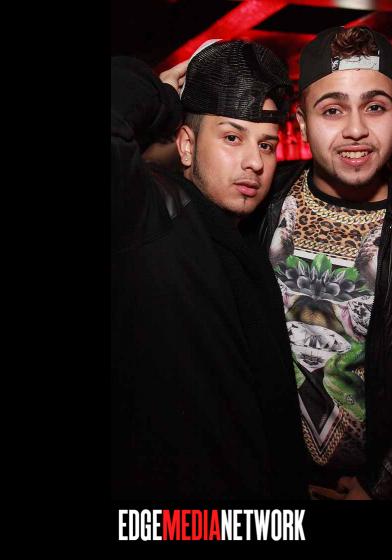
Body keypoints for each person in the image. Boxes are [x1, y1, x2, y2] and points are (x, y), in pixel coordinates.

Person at [247, 26, 392, 499]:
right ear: (300, 123)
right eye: (332, 110)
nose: (356, 129)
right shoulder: (256, 205)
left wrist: (383, 487)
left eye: (374, 107)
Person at [111, 40, 309, 500]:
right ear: (186, 145)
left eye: (266, 144)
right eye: (232, 138)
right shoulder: (149, 216)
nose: (254, 162)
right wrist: (158, 93)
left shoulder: (248, 234)